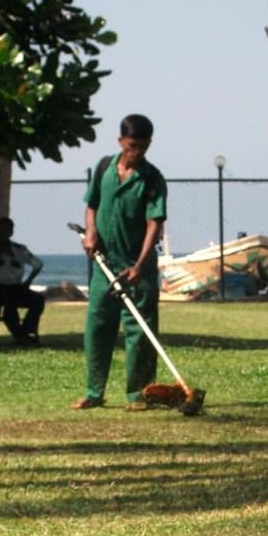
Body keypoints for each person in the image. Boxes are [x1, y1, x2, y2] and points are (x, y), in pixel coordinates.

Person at [72, 113, 167, 411]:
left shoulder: (152, 179)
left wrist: (139, 266)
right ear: (120, 142)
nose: (135, 152)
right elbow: (92, 206)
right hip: (104, 265)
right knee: (97, 327)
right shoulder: (104, 168)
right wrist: (91, 233)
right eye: (130, 146)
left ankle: (139, 395)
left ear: (149, 144)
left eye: (141, 147)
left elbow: (154, 224)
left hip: (137, 268)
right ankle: (93, 392)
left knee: (139, 333)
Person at [0, 216, 45, 345]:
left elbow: (38, 264)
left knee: (38, 300)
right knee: (11, 302)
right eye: (0, 230)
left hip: (17, 287)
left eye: (6, 230)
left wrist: (28, 281)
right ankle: (21, 335)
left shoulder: (19, 249)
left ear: (11, 232)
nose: (2, 233)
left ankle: (25, 332)